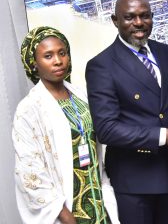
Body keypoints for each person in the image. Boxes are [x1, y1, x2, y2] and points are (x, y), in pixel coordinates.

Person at [85, 0, 168, 224]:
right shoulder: (101, 66)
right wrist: (165, 136)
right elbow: (106, 129)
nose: (139, 23)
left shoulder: (164, 52)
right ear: (115, 21)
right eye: (129, 17)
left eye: (145, 16)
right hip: (135, 183)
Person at [13, 26, 119, 224]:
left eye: (62, 53)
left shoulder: (81, 96)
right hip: (68, 210)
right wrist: (65, 217)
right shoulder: (29, 109)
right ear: (34, 63)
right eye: (48, 56)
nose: (58, 61)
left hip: (99, 202)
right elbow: (31, 173)